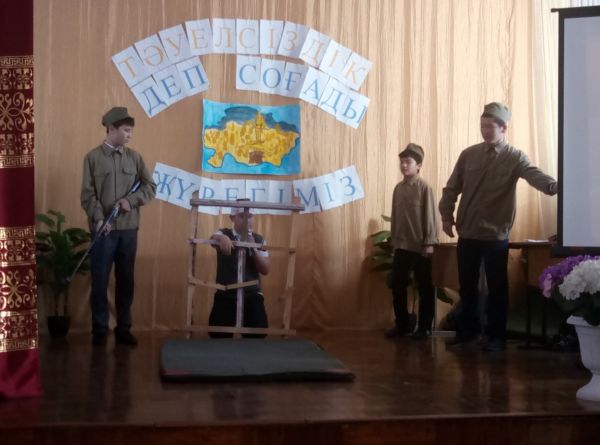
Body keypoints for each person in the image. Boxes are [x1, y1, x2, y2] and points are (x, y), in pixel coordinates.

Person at [439, 102, 557, 352]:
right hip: (468, 232)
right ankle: (467, 332)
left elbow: (534, 175)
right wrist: (446, 217)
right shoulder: (468, 154)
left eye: (489, 127)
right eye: (482, 126)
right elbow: (451, 188)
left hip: (495, 235)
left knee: (497, 288)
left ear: (504, 128)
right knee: (467, 286)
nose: (484, 131)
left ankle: (496, 337)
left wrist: (554, 186)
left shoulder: (515, 157)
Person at [81, 107, 156, 346]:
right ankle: (99, 330)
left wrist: (130, 201)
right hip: (103, 230)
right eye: (125, 130)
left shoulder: (135, 158)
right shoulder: (92, 158)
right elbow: (87, 195)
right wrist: (98, 219)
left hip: (128, 230)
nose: (129, 135)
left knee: (126, 281)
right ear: (111, 129)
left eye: (131, 131)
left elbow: (150, 187)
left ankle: (123, 328)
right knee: (100, 281)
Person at [385, 143, 439, 340]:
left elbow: (431, 216)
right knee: (397, 284)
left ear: (419, 166)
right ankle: (402, 325)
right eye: (402, 162)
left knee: (424, 287)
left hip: (420, 247)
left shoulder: (425, 188)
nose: (404, 165)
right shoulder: (398, 189)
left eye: (408, 162)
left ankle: (424, 328)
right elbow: (395, 216)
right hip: (402, 245)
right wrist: (394, 240)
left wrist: (429, 242)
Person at [208, 205, 270, 338]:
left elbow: (265, 270)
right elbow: (213, 238)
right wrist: (222, 238)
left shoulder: (259, 239)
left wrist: (254, 248)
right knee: (217, 334)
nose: (247, 220)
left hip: (252, 293)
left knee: (258, 333)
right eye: (242, 216)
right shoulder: (223, 233)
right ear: (232, 218)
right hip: (226, 292)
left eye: (250, 216)